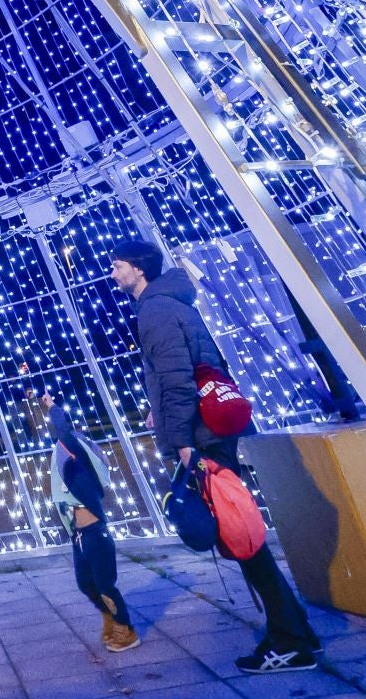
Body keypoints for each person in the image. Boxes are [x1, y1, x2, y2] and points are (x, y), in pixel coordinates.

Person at [112, 238, 320, 674]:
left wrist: (183, 439)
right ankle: (297, 630)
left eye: (119, 266)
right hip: (211, 429)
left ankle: (289, 640)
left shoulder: (154, 309)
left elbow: (176, 378)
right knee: (240, 532)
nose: (113, 274)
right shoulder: (175, 302)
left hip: (201, 438)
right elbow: (190, 367)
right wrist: (160, 409)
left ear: (139, 270)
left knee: (240, 537)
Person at [43, 395, 139, 652]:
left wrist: (51, 407)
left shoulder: (75, 447)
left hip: (95, 532)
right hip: (79, 535)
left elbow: (62, 429)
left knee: (105, 584)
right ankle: (108, 616)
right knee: (85, 583)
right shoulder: (70, 450)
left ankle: (126, 629)